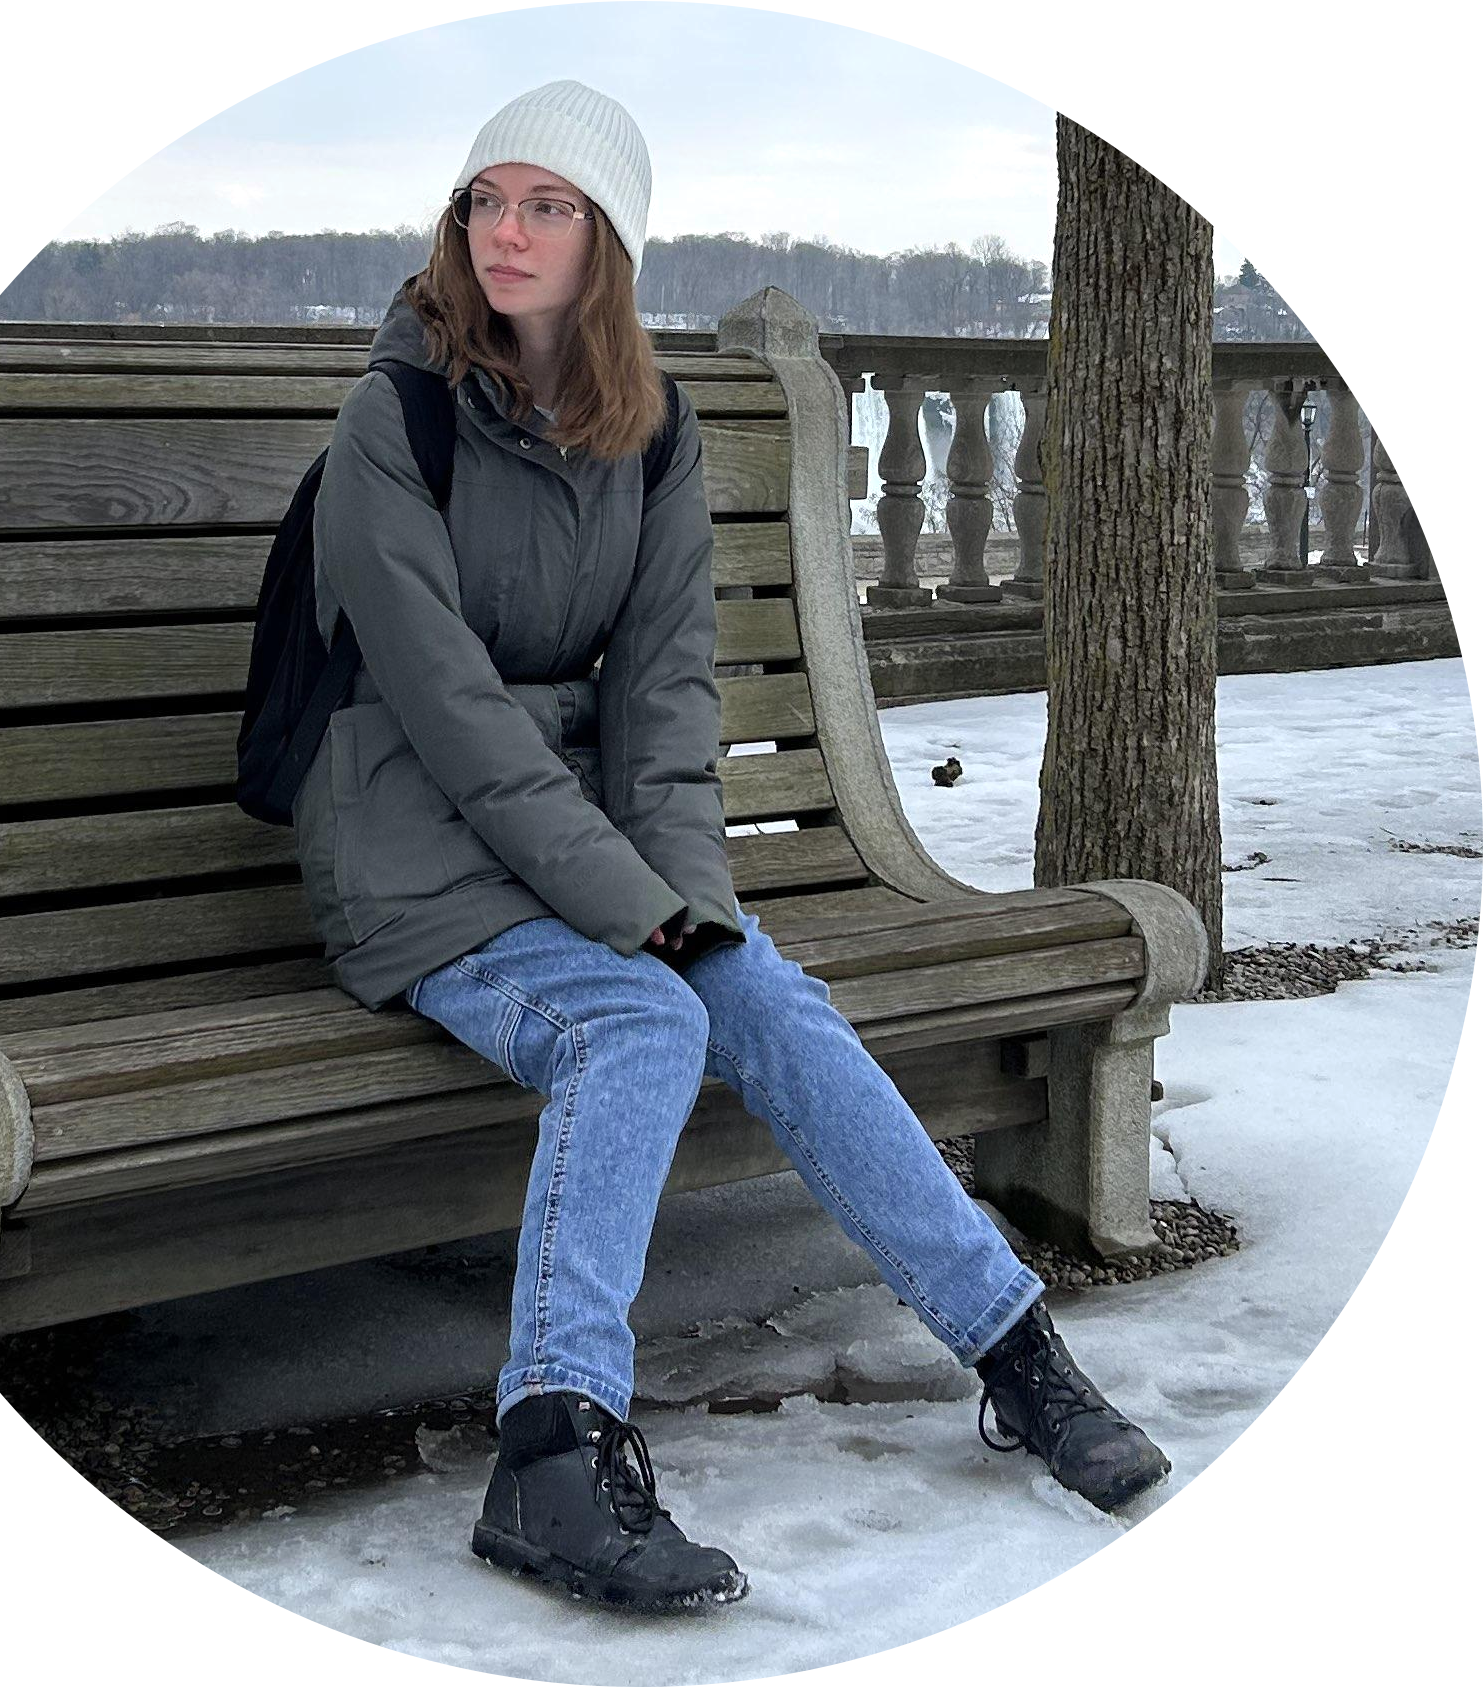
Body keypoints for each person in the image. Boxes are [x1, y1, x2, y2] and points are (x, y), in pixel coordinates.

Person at [293, 78, 1171, 1616]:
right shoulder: (397, 417)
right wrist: (638, 913)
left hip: (576, 845)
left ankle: (1016, 1351)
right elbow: (451, 715)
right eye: (487, 200)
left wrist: (688, 901)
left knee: (759, 990)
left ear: (609, 241)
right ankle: (552, 1449)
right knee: (638, 1021)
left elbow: (666, 705)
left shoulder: (653, 434)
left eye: (549, 206)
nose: (507, 231)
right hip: (412, 852)